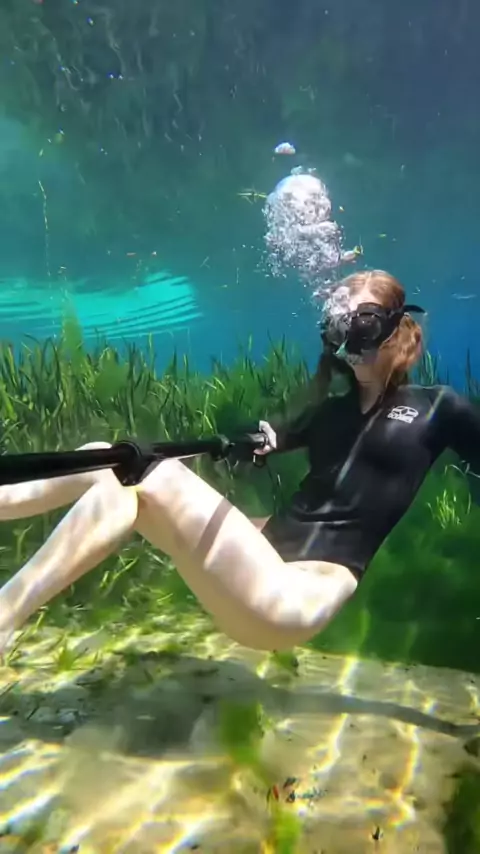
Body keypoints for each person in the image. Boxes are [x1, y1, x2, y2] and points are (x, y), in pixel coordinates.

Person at [0, 269, 479, 655]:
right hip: (257, 576)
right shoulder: (329, 414)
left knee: (146, 473)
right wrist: (248, 448)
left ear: (395, 325)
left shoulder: (439, 406)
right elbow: (275, 450)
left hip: (296, 597)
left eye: (364, 322)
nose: (349, 337)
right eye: (339, 325)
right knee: (104, 460)